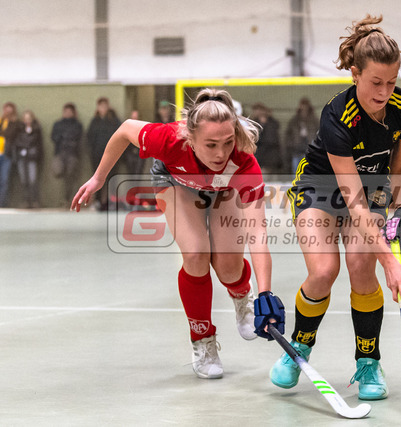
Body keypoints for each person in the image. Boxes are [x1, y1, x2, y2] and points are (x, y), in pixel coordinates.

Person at [71, 89, 285, 379]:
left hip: (223, 190)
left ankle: (241, 294)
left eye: (227, 142)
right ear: (190, 138)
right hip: (175, 182)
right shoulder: (169, 139)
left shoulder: (243, 162)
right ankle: (203, 339)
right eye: (211, 144)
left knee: (228, 265)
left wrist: (265, 293)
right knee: (196, 253)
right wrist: (99, 177)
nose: (221, 153)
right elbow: (124, 130)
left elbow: (258, 233)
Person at [270, 15, 401, 401]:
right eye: (375, 82)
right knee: (324, 270)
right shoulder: (338, 115)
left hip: (372, 188)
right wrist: (391, 263)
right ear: (355, 74)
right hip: (320, 188)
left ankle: (368, 362)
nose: (384, 92)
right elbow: (353, 204)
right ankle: (299, 346)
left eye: (391, 82)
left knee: (360, 266)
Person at [87, 97, 121, 210]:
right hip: (97, 155)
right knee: (98, 178)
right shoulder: (94, 121)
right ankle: (97, 202)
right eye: (100, 106)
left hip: (112, 155)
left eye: (105, 105)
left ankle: (111, 202)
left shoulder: (114, 120)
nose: (103, 108)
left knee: (112, 178)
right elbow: (89, 138)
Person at [51, 102, 83, 206]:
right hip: (60, 152)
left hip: (72, 153)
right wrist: (61, 137)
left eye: (70, 111)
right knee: (58, 171)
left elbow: (79, 138)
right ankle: (63, 198)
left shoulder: (77, 125)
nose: (68, 113)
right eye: (66, 111)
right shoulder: (58, 124)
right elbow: (53, 137)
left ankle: (67, 199)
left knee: (70, 176)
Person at [13, 110, 43, 208]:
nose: (27, 121)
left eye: (29, 119)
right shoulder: (19, 129)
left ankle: (35, 201)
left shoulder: (36, 129)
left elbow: (39, 144)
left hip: (32, 157)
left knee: (32, 180)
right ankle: (25, 201)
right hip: (21, 157)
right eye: (25, 119)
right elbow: (17, 142)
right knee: (24, 181)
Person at [284, 97, 319, 173]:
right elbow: (288, 134)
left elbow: (319, 133)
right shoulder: (294, 120)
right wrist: (292, 144)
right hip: (296, 149)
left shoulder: (314, 120)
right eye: (302, 105)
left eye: (305, 105)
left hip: (309, 149)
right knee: (296, 170)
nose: (304, 108)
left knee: (309, 171)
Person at [251, 102, 283, 174]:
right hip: (261, 158)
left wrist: (263, 125)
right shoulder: (254, 123)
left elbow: (271, 140)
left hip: (269, 158)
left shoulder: (271, 124)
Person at [0, 102, 20, 208]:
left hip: (6, 155)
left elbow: (10, 134)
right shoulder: (1, 121)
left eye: (10, 111)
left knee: (5, 180)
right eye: (6, 110)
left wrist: (10, 122)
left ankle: (2, 204)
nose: (7, 113)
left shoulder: (15, 123)